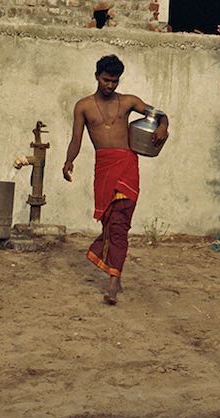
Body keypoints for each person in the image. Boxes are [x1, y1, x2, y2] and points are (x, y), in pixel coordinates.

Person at [62, 54, 169, 305]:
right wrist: (69, 160)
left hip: (127, 165)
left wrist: (163, 126)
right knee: (109, 223)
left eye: (115, 81)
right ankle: (116, 274)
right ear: (96, 76)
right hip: (104, 168)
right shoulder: (83, 106)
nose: (110, 85)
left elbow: (159, 114)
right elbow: (76, 139)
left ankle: (112, 282)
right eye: (106, 80)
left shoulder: (129, 101)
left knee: (120, 224)